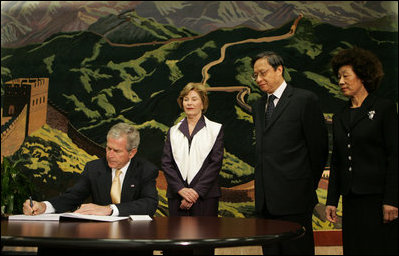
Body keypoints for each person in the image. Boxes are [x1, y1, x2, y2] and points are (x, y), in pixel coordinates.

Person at [251, 51, 328, 255]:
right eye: (255, 75)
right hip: (266, 203)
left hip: (296, 200)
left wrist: (304, 186)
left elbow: (319, 150)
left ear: (279, 69)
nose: (259, 79)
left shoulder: (304, 100)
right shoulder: (258, 105)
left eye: (263, 73)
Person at [325, 47, 398, 255]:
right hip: (351, 200)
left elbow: (395, 156)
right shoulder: (340, 116)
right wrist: (332, 200)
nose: (340, 81)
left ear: (363, 76)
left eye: (346, 76)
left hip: (378, 200)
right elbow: (337, 160)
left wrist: (392, 200)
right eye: (338, 77)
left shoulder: (384, 108)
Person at [23, 122, 159, 217]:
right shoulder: (94, 168)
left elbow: (149, 204)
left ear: (132, 153)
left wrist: (109, 210)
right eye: (108, 148)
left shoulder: (145, 170)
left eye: (116, 151)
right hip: (100, 236)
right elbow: (72, 197)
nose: (110, 155)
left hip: (133, 236)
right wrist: (44, 206)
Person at [161, 82, 224, 217]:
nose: (189, 103)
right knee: (177, 236)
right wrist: (181, 190)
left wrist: (195, 193)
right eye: (186, 99)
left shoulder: (215, 129)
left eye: (194, 99)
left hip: (205, 196)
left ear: (202, 103)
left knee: (204, 235)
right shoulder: (173, 131)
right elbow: (167, 163)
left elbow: (215, 163)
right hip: (177, 196)